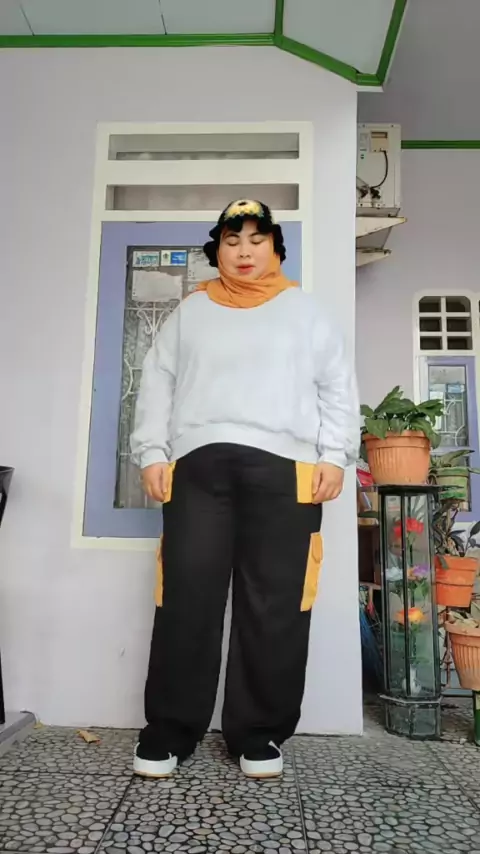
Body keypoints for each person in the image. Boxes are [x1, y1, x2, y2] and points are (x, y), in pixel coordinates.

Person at [131, 199, 359, 780]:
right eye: (232, 242)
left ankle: (258, 734)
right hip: (198, 468)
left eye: (257, 240)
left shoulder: (306, 312)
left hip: (289, 470)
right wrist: (152, 451)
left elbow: (337, 387)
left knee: (276, 602)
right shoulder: (191, 313)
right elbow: (157, 382)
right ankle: (169, 731)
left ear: (276, 248)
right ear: (218, 252)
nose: (244, 252)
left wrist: (335, 456)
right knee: (186, 597)